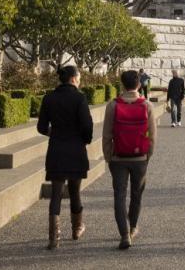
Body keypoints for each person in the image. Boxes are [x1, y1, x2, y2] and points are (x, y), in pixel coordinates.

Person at [37, 65, 94, 250]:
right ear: (73, 79)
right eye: (79, 77)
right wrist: (84, 139)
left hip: (56, 149)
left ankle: (53, 237)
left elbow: (41, 127)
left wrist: (55, 133)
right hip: (75, 149)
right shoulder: (79, 98)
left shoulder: (49, 98)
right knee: (75, 191)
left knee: (56, 193)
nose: (80, 80)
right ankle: (77, 229)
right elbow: (87, 125)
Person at [103, 70, 157, 250]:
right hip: (139, 157)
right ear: (139, 85)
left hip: (118, 157)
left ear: (121, 85)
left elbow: (106, 135)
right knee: (136, 194)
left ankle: (124, 234)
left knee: (119, 195)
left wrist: (108, 156)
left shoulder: (112, 105)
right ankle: (133, 227)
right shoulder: (147, 105)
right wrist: (148, 154)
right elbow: (152, 136)